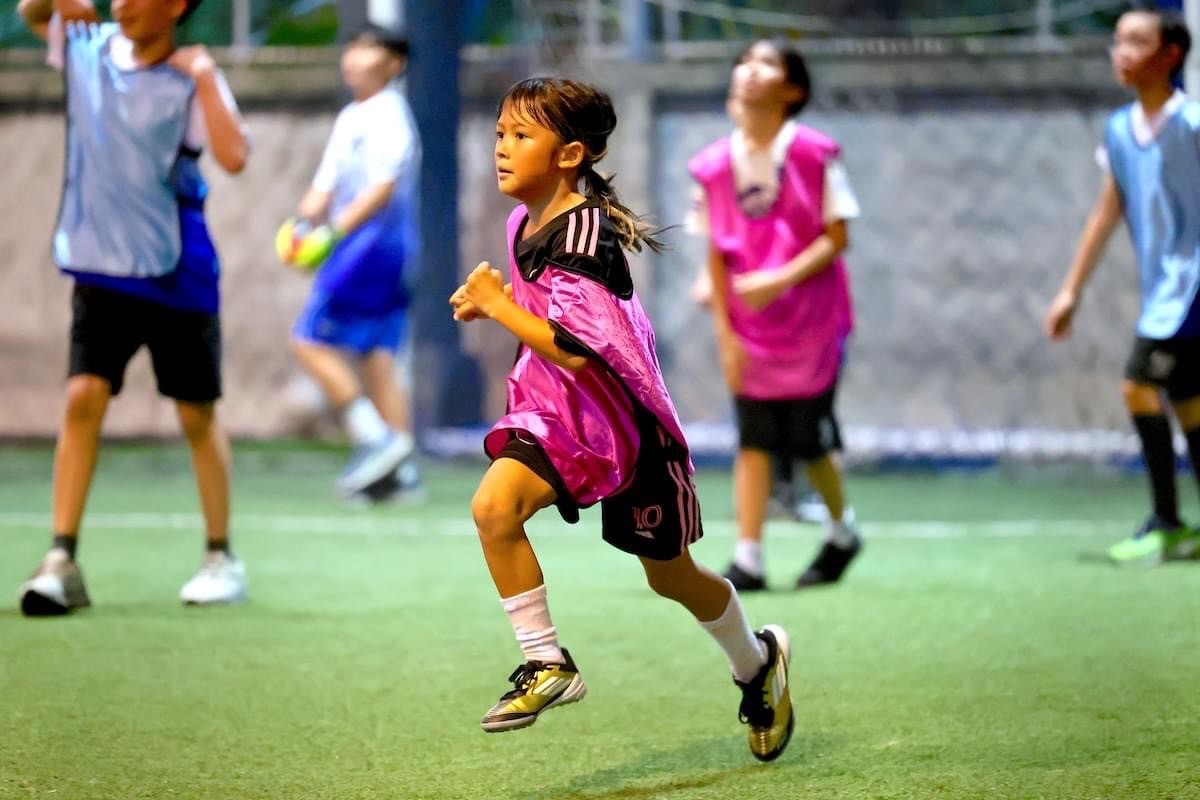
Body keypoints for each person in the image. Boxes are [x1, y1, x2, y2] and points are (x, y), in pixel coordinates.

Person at [449, 77, 794, 761]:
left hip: (625, 431)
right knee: (493, 509)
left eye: (522, 135)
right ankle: (547, 662)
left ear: (570, 153)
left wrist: (498, 306)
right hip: (555, 418)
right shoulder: (526, 223)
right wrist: (489, 302)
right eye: (500, 134)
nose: (503, 149)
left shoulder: (585, 233)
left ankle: (757, 663)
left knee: (669, 576)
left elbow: (578, 352)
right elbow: (550, 333)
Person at [16, 0, 250, 615]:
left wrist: (202, 76)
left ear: (175, 7)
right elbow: (31, 11)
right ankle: (61, 558)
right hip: (101, 265)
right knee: (82, 396)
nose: (122, 2)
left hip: (177, 266)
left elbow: (234, 157)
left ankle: (221, 556)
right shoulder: (88, 48)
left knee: (196, 413)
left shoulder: (191, 74)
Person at [689, 39, 861, 592]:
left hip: (813, 321)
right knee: (754, 439)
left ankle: (842, 530)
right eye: (743, 61)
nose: (748, 71)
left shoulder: (814, 154)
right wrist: (725, 335)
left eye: (766, 63)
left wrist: (778, 279)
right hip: (750, 329)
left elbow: (838, 236)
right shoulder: (714, 166)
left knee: (809, 442)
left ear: (793, 89)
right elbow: (715, 252)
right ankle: (749, 556)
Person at [1046, 7, 1200, 566]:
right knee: (1187, 401)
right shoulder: (1118, 130)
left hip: (1193, 288)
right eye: (1118, 42)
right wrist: (1071, 290)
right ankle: (1177, 525)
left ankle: (1168, 521)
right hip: (1164, 290)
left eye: (1138, 41)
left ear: (1171, 56)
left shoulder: (1191, 123)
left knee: (1139, 384)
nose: (1122, 52)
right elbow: (1107, 210)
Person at [279, 23, 421, 501]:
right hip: (368, 247)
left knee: (307, 340)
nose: (356, 57)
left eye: (370, 49)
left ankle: (374, 439)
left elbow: (381, 189)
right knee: (377, 356)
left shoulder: (390, 114)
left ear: (393, 64)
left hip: (373, 246)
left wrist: (332, 235)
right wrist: (300, 227)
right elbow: (323, 187)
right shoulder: (351, 117)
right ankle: (401, 473)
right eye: (354, 47)